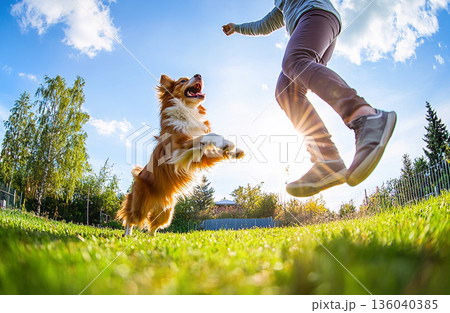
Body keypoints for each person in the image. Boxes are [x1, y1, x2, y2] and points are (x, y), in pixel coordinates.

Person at [222, 0, 397, 197]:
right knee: (286, 92)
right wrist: (236, 28)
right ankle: (327, 160)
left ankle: (364, 115)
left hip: (317, 15)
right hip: (316, 25)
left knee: (294, 60)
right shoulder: (283, 6)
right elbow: (262, 26)